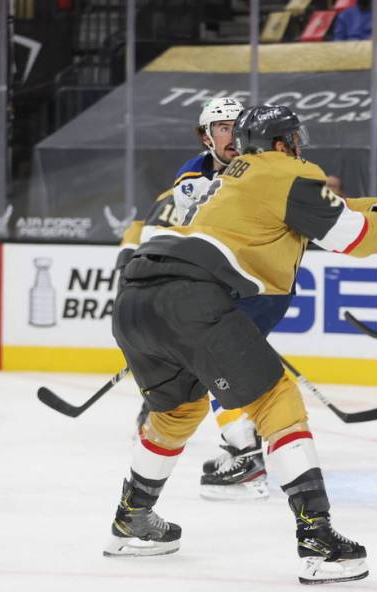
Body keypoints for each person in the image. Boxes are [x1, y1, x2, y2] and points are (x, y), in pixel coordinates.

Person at [105, 104, 377, 584]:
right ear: (283, 142)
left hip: (137, 299)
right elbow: (352, 236)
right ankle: (319, 540)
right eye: (295, 139)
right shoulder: (288, 172)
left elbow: (329, 212)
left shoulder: (234, 178)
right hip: (193, 298)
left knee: (176, 413)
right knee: (277, 400)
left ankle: (132, 520)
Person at [120, 97, 273, 501]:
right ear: (206, 136)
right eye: (221, 127)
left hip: (254, 278)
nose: (230, 134)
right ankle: (243, 450)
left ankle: (246, 455)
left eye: (235, 125)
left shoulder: (263, 166)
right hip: (216, 283)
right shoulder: (192, 174)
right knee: (211, 366)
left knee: (213, 365)